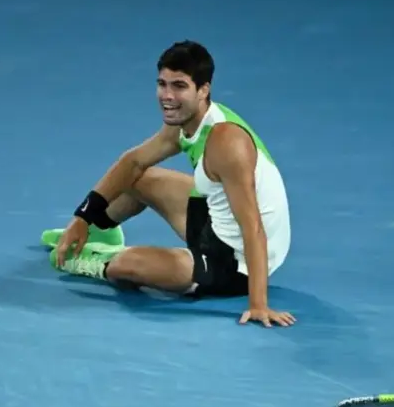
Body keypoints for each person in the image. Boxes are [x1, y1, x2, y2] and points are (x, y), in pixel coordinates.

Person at [43, 40, 295, 328]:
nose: (167, 96)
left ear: (204, 90)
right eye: (162, 84)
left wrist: (258, 304)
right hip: (215, 223)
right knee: (141, 177)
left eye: (179, 86)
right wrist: (83, 218)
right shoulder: (186, 120)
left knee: (131, 264)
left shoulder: (226, 142)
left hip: (237, 263)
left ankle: (98, 263)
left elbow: (253, 228)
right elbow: (134, 162)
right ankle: (101, 233)